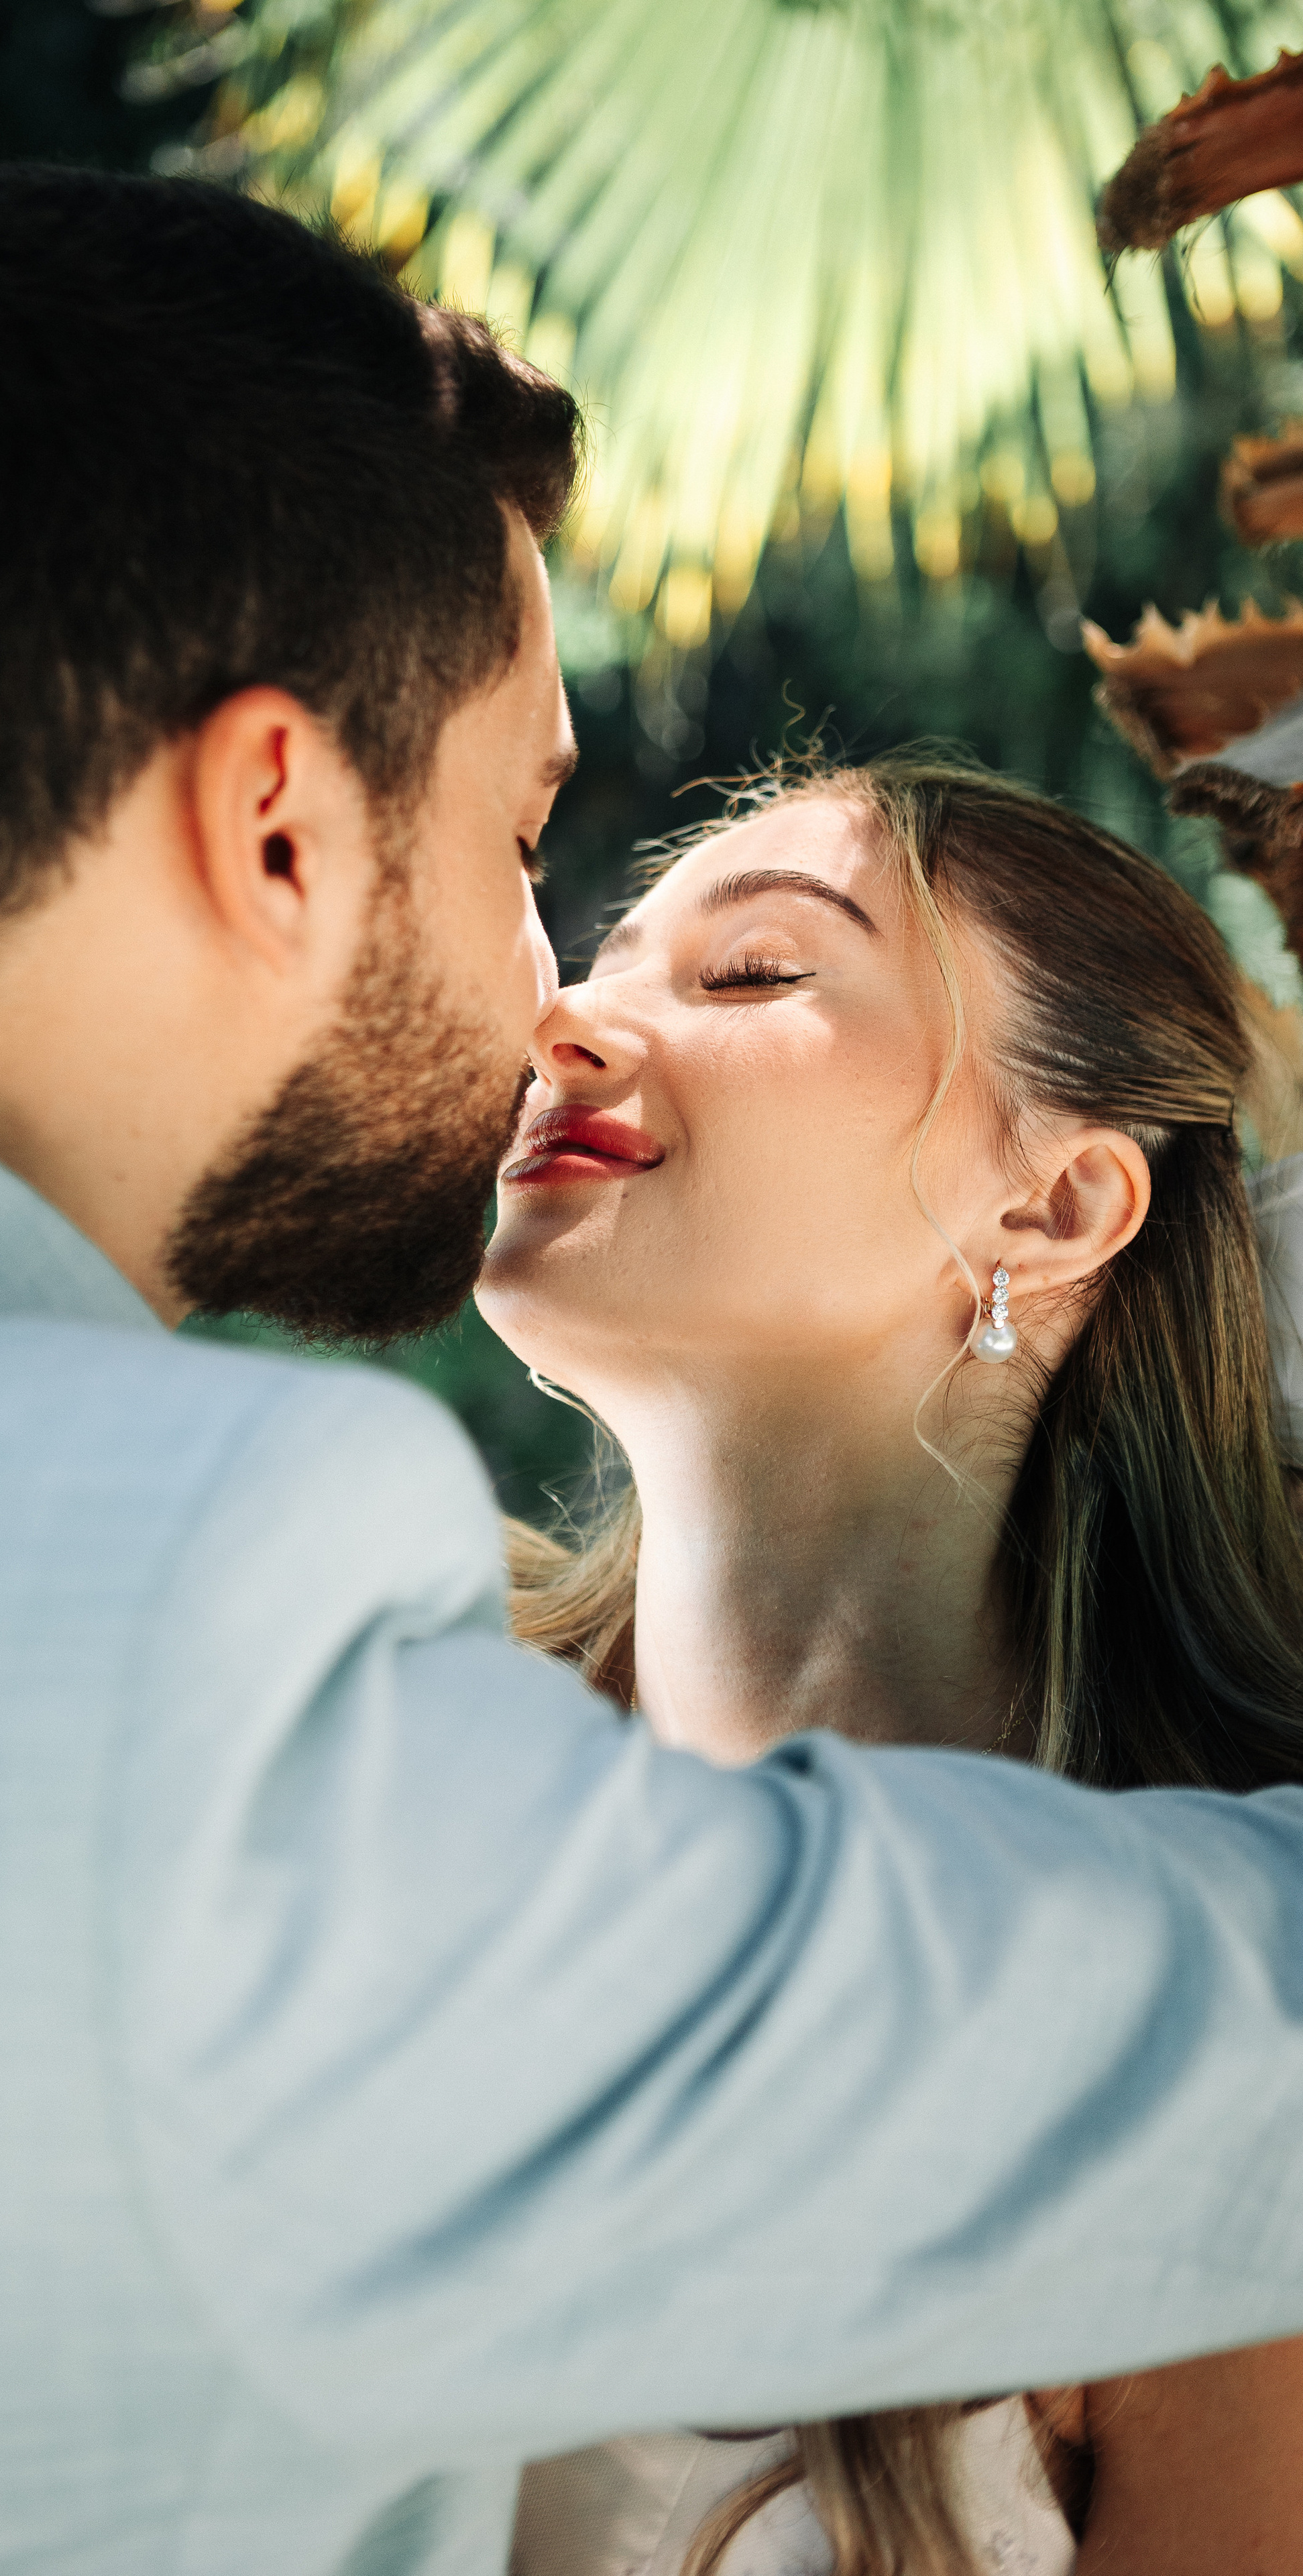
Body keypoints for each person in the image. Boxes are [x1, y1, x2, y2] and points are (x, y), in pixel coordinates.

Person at [0, 155, 1303, 2576]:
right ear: (277, 826)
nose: (550, 995)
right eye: (522, 847)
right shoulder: (188, 1640)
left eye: (744, 966)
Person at [482, 758, 1303, 2575]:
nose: (567, 1022)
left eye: (756, 973)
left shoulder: (1222, 2043)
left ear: (1059, 1208)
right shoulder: (403, 1804)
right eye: (604, 959)